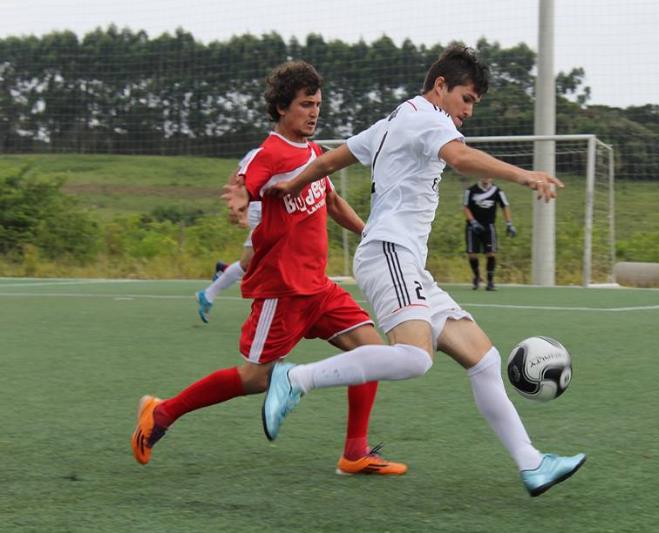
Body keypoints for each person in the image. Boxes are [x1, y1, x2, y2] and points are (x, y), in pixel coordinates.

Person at [235, 45, 586, 497]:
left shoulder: (393, 121)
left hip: (405, 261)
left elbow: (328, 161)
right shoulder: (429, 118)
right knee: (415, 358)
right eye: (466, 98)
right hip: (390, 252)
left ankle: (531, 463)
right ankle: (295, 379)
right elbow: (460, 159)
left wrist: (293, 183)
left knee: (483, 359)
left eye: (474, 102)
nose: (468, 110)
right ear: (440, 86)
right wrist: (525, 176)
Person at [132, 60, 407, 476]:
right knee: (255, 379)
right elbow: (247, 179)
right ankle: (161, 412)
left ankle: (355, 452)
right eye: (305, 105)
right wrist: (240, 199)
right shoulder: (270, 153)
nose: (314, 113)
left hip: (318, 289)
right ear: (281, 107)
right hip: (282, 292)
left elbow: (332, 202)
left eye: (318, 105)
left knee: (372, 354)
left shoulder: (313, 153)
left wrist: (371, 233)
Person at [195, 150, 261, 323]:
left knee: (249, 263)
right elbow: (236, 178)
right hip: (261, 211)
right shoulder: (258, 153)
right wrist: (236, 208)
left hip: (269, 210)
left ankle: (211, 289)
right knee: (272, 259)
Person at [464, 177, 516, 290]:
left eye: (488, 176)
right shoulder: (471, 190)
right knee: (472, 254)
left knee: (491, 253)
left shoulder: (497, 191)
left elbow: (505, 206)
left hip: (489, 227)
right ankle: (477, 277)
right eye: (483, 175)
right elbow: (466, 207)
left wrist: (509, 224)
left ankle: (490, 281)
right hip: (473, 227)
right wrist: (473, 222)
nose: (486, 178)